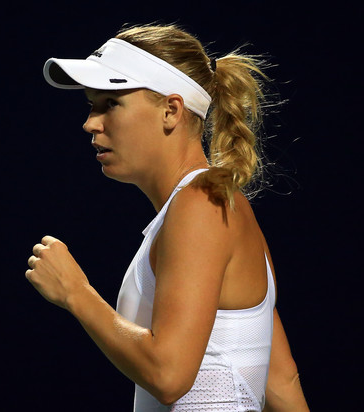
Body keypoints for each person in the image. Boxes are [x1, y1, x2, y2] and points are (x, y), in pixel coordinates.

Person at [26, 24, 309, 411]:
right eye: (91, 105)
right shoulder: (215, 201)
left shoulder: (201, 204)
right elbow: (280, 379)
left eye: (110, 103)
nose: (91, 123)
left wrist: (77, 293)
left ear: (171, 110)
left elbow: (169, 376)